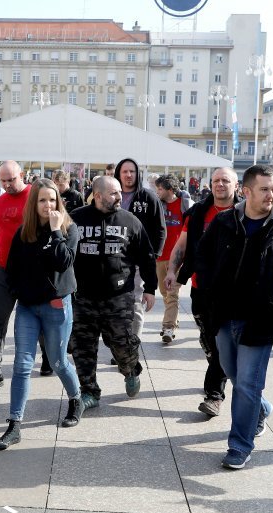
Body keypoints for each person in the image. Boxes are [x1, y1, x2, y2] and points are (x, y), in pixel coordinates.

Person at [195, 165, 273, 469]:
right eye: (264, 189)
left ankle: (240, 445)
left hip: (260, 320)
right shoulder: (223, 221)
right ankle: (261, 407)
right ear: (245, 192)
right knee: (234, 375)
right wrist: (208, 291)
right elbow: (202, 256)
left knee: (246, 383)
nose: (271, 194)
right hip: (223, 316)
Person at [0, 179, 84, 449]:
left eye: (52, 200)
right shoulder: (25, 232)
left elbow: (64, 261)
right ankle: (14, 424)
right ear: (34, 203)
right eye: (42, 200)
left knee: (57, 362)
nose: (48, 205)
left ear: (59, 202)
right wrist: (17, 291)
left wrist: (56, 231)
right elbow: (12, 267)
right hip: (28, 307)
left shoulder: (69, 229)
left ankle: (76, 399)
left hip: (56, 306)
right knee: (21, 365)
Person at [69, 176, 157, 409]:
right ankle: (89, 392)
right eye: (114, 193)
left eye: (119, 192)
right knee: (83, 347)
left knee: (123, 343)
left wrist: (150, 288)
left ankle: (130, 371)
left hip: (118, 297)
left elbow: (147, 258)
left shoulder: (131, 221)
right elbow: (63, 255)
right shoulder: (75, 219)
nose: (120, 197)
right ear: (97, 196)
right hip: (83, 297)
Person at [165, 167, 239, 417]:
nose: (220, 184)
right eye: (216, 180)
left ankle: (214, 395)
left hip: (232, 291)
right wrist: (173, 271)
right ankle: (219, 371)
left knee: (221, 345)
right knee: (210, 342)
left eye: (225, 180)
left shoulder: (244, 212)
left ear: (236, 185)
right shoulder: (198, 212)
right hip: (201, 288)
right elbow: (181, 245)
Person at [0, 160, 44, 391]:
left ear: (22, 175)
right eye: (3, 180)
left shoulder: (37, 197)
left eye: (11, 180)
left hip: (33, 272)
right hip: (4, 270)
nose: (7, 185)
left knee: (40, 320)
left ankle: (47, 357)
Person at [114, 158, 166, 339]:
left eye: (132, 171)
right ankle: (119, 344)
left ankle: (131, 344)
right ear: (118, 174)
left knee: (135, 301)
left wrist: (153, 256)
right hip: (112, 260)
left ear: (137, 174)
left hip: (137, 261)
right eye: (125, 172)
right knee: (115, 304)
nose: (129, 175)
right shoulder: (111, 195)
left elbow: (160, 229)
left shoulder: (149, 197)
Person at [154, 174, 190, 343]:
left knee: (172, 292)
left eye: (160, 188)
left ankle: (168, 327)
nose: (157, 191)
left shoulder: (185, 205)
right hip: (160, 256)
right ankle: (173, 319)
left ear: (169, 189)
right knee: (164, 293)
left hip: (177, 258)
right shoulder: (157, 205)